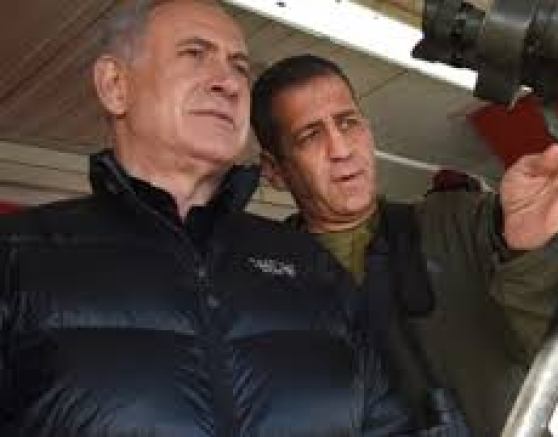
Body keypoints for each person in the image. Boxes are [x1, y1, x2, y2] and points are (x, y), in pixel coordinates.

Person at [0, 2, 418, 435]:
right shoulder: (16, 257)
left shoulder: (312, 267)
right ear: (115, 85)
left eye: (239, 67)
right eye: (194, 54)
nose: (230, 83)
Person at [251, 54, 558, 436]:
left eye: (348, 123)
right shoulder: (261, 282)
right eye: (310, 136)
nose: (341, 149)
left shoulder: (462, 224)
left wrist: (532, 250)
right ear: (273, 170)